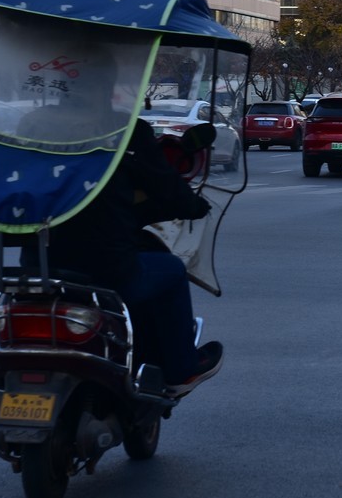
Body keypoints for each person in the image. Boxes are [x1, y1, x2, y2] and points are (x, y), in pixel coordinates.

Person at [18, 50, 223, 397]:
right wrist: (194, 205)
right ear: (106, 87)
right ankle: (179, 370)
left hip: (38, 266)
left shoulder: (32, 126)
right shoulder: (128, 133)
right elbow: (169, 190)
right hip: (109, 271)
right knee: (171, 271)